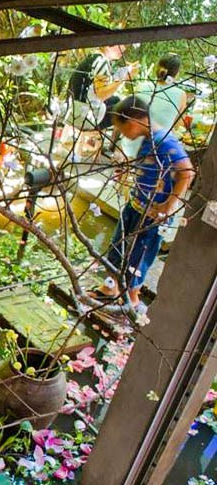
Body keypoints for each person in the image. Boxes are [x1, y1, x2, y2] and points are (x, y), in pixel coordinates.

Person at [94, 97, 195, 311]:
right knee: (118, 247)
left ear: (134, 120)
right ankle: (111, 288)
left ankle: (131, 302)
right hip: (135, 205)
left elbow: (187, 172)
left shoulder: (164, 141)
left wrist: (168, 206)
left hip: (151, 215)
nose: (123, 135)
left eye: (123, 129)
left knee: (138, 259)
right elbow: (150, 170)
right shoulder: (148, 139)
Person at [67, 45, 134, 130]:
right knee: (127, 108)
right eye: (120, 45)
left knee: (115, 100)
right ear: (107, 46)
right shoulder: (101, 62)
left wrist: (123, 75)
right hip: (83, 116)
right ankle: (94, 135)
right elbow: (102, 94)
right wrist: (123, 79)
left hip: (75, 109)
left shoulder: (95, 57)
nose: (123, 49)